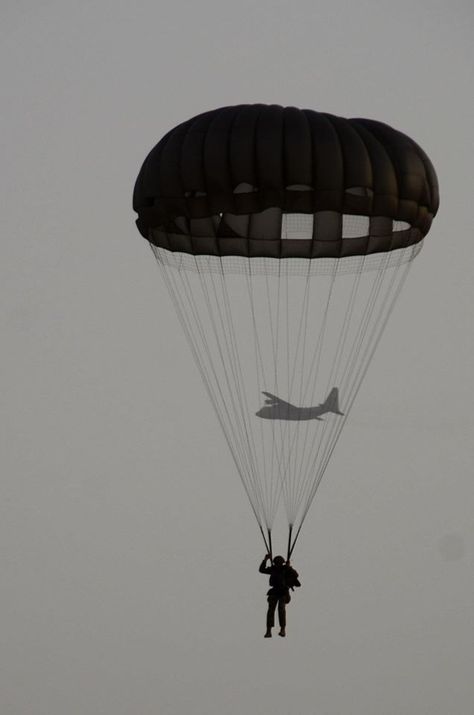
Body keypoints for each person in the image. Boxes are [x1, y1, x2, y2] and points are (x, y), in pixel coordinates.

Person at [259, 553, 300, 638]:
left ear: (281, 563)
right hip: (274, 592)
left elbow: (296, 575)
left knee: (281, 609)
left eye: (278, 563)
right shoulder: (273, 569)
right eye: (276, 563)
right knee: (271, 611)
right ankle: (269, 631)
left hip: (283, 592)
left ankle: (282, 629)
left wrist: (289, 567)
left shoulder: (286, 569)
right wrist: (265, 560)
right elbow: (262, 570)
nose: (277, 565)